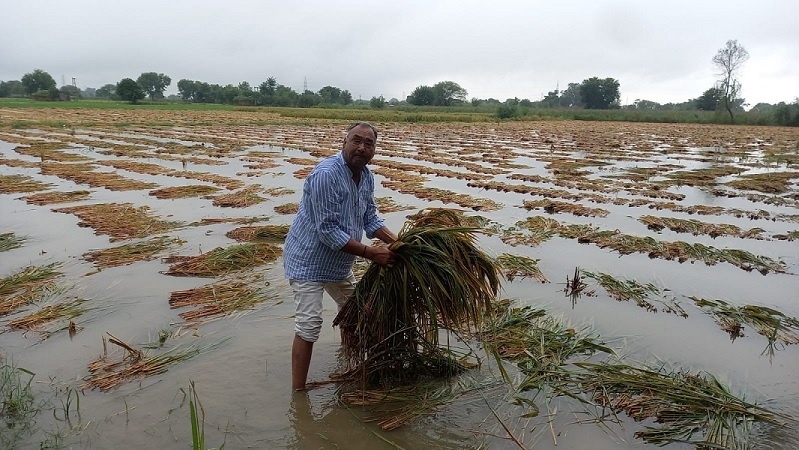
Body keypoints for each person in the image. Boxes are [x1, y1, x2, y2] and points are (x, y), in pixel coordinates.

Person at [283, 121, 397, 391]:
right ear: (343, 142)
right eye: (356, 140)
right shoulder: (327, 174)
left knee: (354, 311)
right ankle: (298, 392)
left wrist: (399, 243)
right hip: (308, 260)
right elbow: (328, 231)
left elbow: (370, 217)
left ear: (374, 149)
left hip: (339, 262)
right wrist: (371, 253)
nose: (362, 147)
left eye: (369, 143)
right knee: (309, 324)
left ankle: (350, 361)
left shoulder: (366, 176)